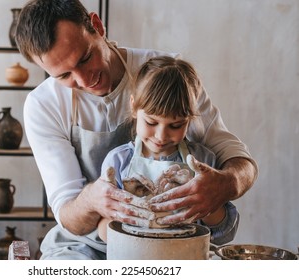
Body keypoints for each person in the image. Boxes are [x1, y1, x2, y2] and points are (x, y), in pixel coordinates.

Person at [15, 0, 257, 259]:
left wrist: (225, 184)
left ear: (97, 26)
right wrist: (92, 201)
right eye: (64, 76)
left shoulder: (165, 72)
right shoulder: (43, 105)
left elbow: (241, 162)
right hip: (87, 246)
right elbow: (69, 215)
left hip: (171, 242)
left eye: (85, 58)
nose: (85, 80)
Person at [98, 56, 239, 245]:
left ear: (189, 119)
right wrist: (118, 215)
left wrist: (206, 204)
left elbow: (224, 235)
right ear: (133, 106)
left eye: (175, 125)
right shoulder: (117, 162)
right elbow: (102, 230)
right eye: (151, 122)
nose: (161, 136)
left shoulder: (203, 160)